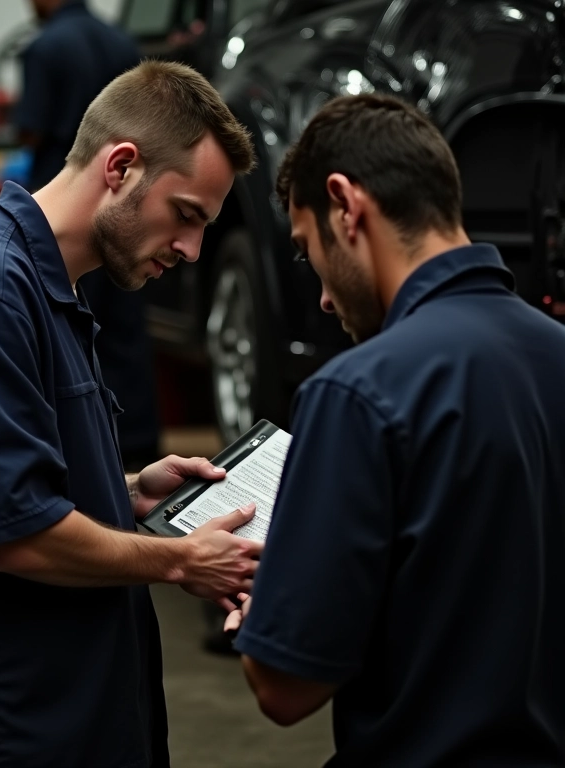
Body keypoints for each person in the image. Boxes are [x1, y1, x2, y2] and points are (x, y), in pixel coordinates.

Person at [0, 61, 257, 768]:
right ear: (121, 166)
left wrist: (124, 491)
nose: (190, 251)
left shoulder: (45, 290)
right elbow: (12, 536)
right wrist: (182, 558)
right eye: (186, 215)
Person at [225, 93, 565, 766]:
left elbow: (285, 688)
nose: (321, 296)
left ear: (346, 205)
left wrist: (260, 608)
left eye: (306, 250)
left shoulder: (357, 392)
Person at [16, 0, 160, 470]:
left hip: (65, 212)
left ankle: (79, 453)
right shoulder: (123, 43)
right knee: (122, 326)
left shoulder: (45, 47)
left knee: (66, 327)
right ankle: (133, 440)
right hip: (126, 212)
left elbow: (30, 133)